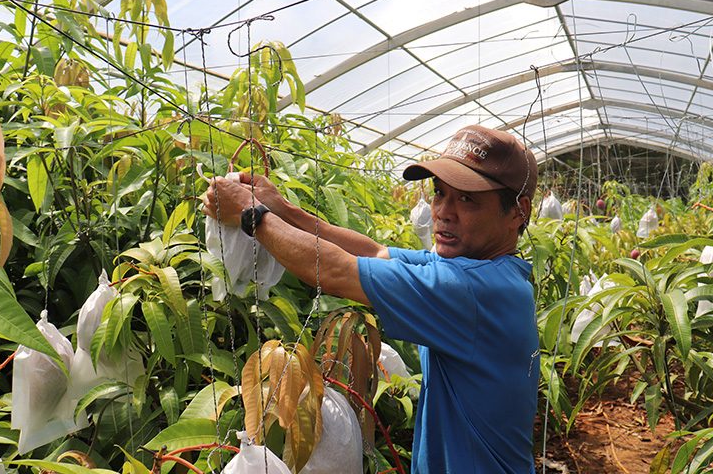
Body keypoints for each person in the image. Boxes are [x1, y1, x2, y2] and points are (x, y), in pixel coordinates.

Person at [202, 124, 540, 474]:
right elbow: (375, 252)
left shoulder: (472, 290)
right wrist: (282, 208)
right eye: (440, 193)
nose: (442, 211)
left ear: (518, 212)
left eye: (466, 199)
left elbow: (336, 272)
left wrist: (251, 215)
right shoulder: (491, 270)